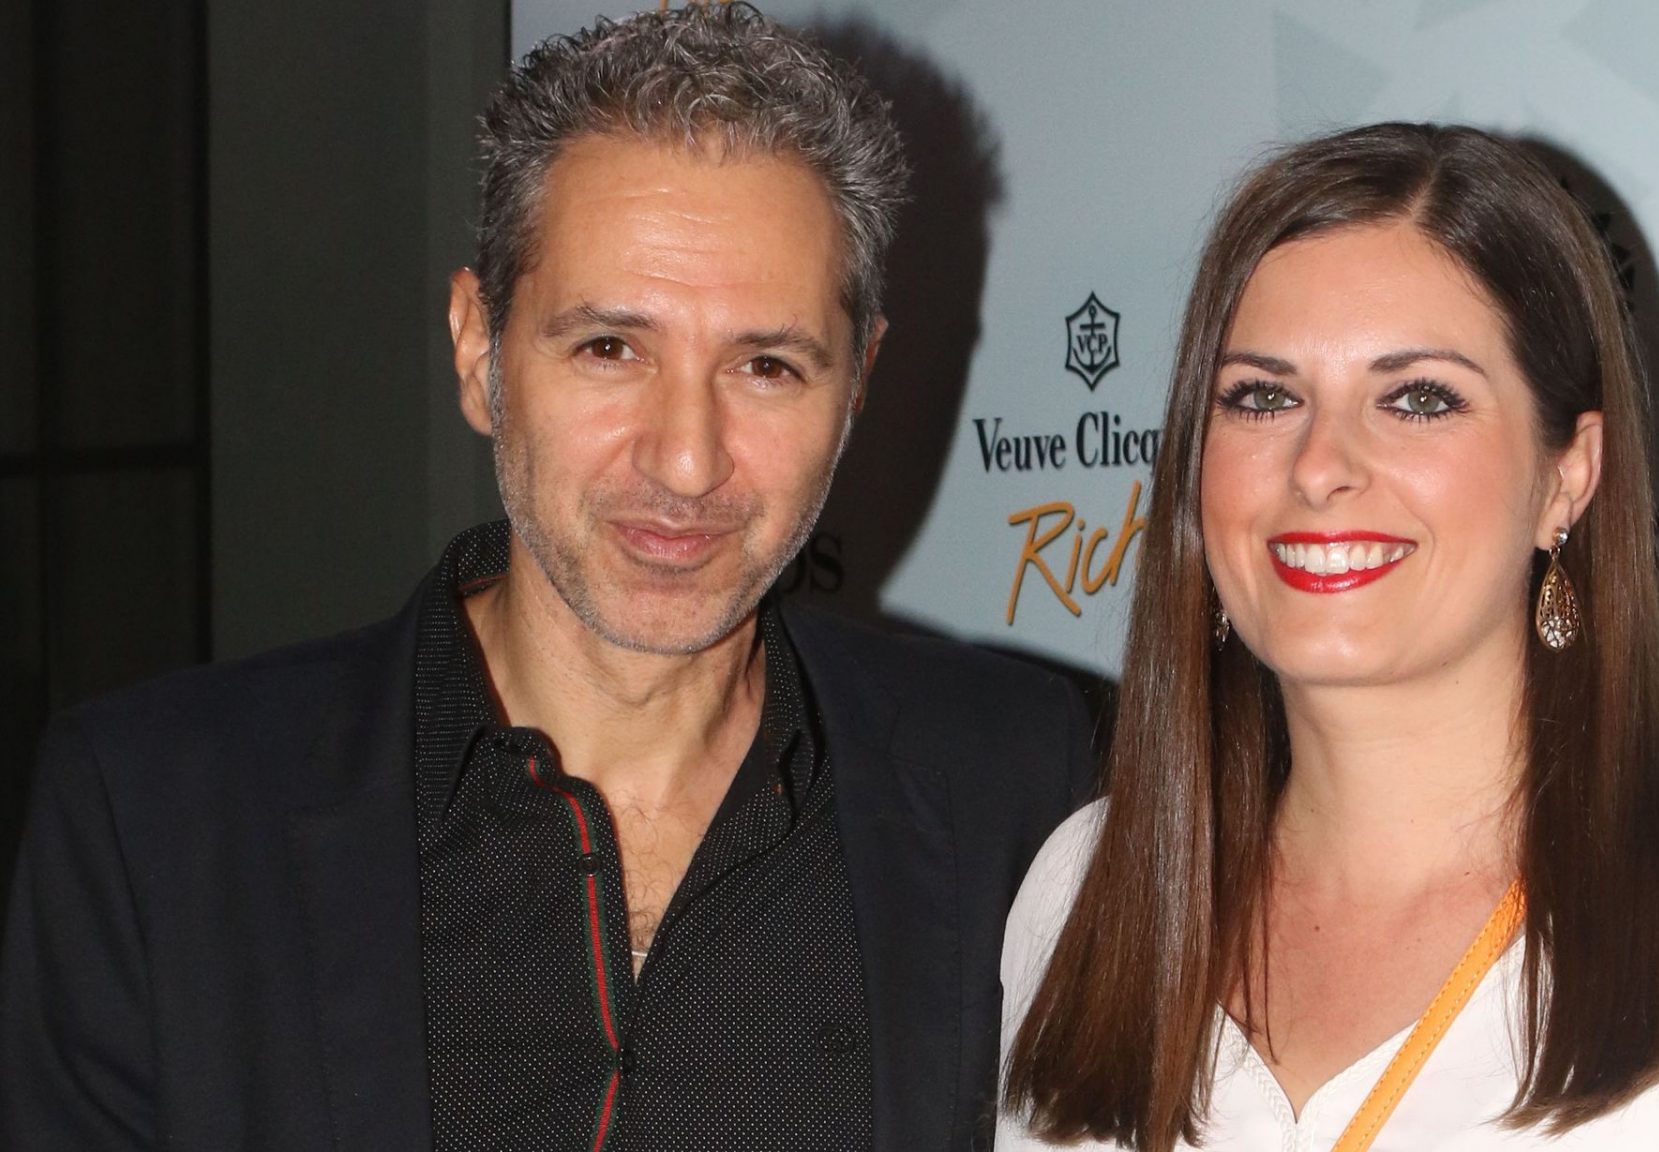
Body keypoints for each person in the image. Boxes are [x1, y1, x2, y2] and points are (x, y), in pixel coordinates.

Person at [1, 7, 1093, 1150]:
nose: (686, 460)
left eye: (766, 366)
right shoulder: (156, 820)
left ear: (856, 383)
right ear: (479, 347)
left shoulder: (1021, 787)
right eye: (609, 349)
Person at [996, 123, 1659, 1151]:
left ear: (1567, 476)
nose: (1319, 465)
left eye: (1418, 399)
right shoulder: (1082, 897)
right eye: (1262, 397)